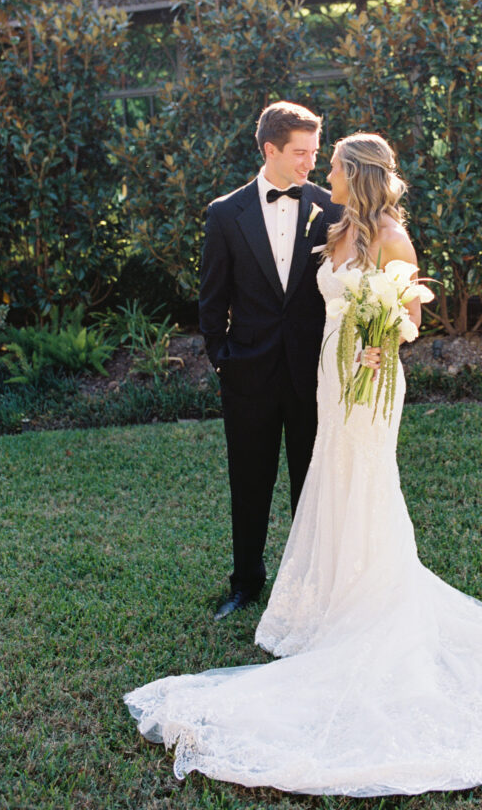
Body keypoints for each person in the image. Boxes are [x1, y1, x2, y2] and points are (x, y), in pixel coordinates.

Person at [125, 133, 482, 796]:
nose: (324, 173)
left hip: (368, 384)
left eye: (334, 166)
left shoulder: (394, 237)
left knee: (366, 484)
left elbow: (409, 318)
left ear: (356, 174)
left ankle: (369, 601)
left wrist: (384, 341)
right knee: (332, 482)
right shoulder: (336, 225)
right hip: (326, 377)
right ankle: (328, 599)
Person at [198, 100, 342, 619]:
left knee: (312, 484)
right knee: (250, 482)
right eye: (300, 152)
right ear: (270, 150)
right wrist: (223, 360)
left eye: (314, 151)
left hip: (314, 374)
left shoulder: (334, 208)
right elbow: (212, 299)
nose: (310, 162)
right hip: (248, 374)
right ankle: (245, 584)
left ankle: (310, 586)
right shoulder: (224, 213)